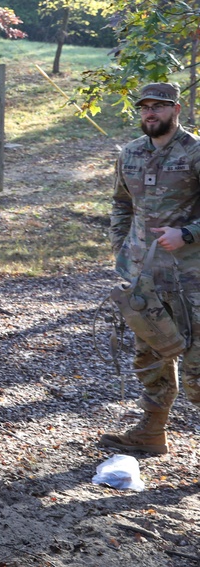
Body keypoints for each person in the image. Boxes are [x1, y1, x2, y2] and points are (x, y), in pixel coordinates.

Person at [102, 81, 200, 455]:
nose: (150, 113)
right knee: (151, 355)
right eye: (144, 107)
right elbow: (120, 204)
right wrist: (121, 248)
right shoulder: (130, 153)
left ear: (176, 110)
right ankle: (152, 431)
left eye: (159, 106)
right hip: (143, 276)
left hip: (190, 277)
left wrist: (187, 234)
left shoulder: (194, 152)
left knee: (197, 365)